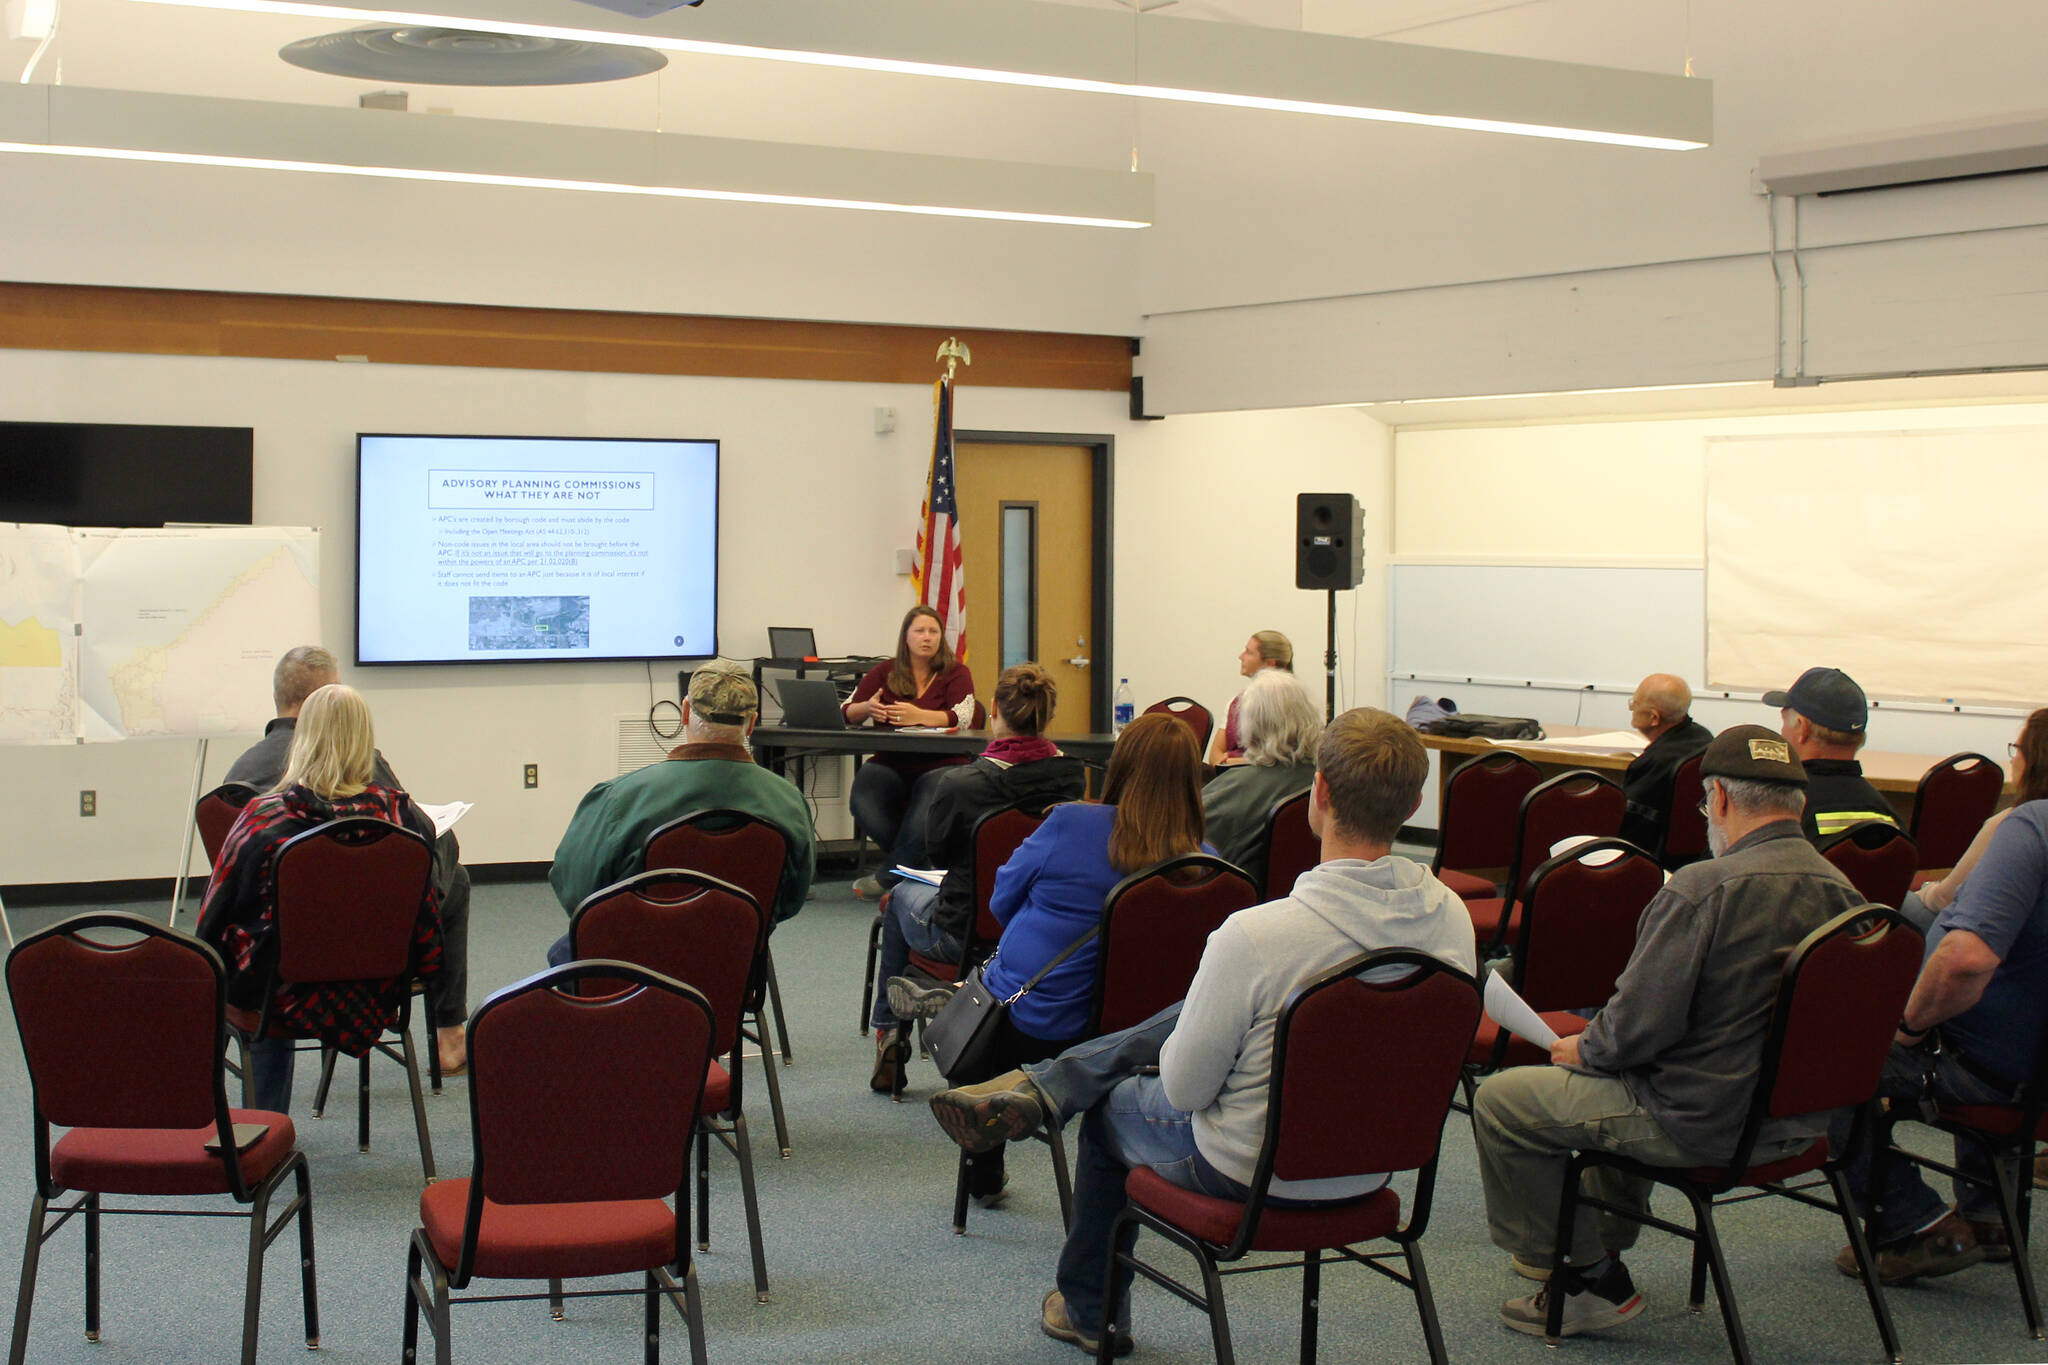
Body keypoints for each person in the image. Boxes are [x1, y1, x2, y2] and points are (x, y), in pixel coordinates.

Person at [927, 708, 1475, 1356]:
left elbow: (1185, 1091)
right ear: (1415, 802)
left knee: (1111, 1107)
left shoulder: (1259, 936)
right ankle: (1049, 1085)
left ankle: (1090, 1308)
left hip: (1252, 1171)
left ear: (1319, 793)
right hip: (1378, 1170)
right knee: (1202, 1016)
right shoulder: (1453, 921)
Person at [1472, 725, 1867, 1339]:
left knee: (1504, 1099)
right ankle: (1597, 1244)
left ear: (1723, 801)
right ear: (1799, 802)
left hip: (1703, 1123)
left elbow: (1634, 1031)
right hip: (1800, 1124)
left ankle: (1584, 1279)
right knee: (1616, 1077)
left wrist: (1586, 1045)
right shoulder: (1847, 894)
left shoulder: (1699, 891)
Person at [1829, 753, 2048, 1285]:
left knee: (1827, 1062)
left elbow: (1964, 963)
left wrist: (1908, 1027)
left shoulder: (2031, 826)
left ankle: (1915, 1227)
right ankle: (1989, 1217)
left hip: (1994, 1074)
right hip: (2029, 1075)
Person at [198, 684, 445, 1113]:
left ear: (303, 736)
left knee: (248, 960)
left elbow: (215, 912)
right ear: (366, 742)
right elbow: (430, 902)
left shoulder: (264, 818)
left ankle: (261, 1128)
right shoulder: (401, 816)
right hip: (374, 992)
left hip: (282, 996)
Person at [225, 645, 471, 1076]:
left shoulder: (241, 784)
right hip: (374, 973)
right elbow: (425, 869)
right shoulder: (387, 798)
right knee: (456, 879)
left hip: (273, 973)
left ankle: (264, 1115)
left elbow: (223, 904)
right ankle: (448, 1029)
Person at [868, 662, 1090, 1094]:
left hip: (961, 931)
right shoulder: (1070, 776)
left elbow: (940, 854)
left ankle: (890, 1034)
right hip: (1039, 933)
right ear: (1047, 717)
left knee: (898, 899)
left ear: (994, 713)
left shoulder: (962, 783)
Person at [546, 660, 815, 963]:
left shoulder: (621, 798)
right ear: (751, 723)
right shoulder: (788, 802)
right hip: (732, 962)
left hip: (634, 964)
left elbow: (576, 889)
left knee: (563, 952)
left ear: (685, 712)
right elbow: (792, 897)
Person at [843, 605, 981, 898]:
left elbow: (964, 716)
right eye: (919, 631)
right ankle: (923, 867)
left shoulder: (956, 672)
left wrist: (918, 715)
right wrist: (866, 708)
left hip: (943, 763)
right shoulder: (885, 672)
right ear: (906, 637)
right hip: (891, 762)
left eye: (933, 631)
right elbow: (845, 711)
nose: (927, 637)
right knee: (864, 796)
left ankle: (890, 875)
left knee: (930, 796)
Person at [1901, 707, 2047, 933]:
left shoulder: (2013, 825)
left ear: (2035, 761)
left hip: (1982, 933)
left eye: (2017, 749)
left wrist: (1926, 888)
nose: (2012, 760)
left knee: (1886, 901)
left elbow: (1944, 899)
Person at [1200, 667, 1321, 886]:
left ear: (1250, 725)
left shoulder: (1229, 791)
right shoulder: (1327, 783)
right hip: (1306, 896)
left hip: (1236, 905)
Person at [1766, 666, 1898, 842]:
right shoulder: (1887, 817)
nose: (1781, 732)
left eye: (1784, 723)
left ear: (1802, 728)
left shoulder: (1779, 809)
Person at [1616, 672, 1715, 865]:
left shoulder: (1654, 763)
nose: (1631, 708)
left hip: (1651, 862)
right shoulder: (1704, 738)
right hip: (1694, 858)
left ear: (1654, 717)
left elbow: (1629, 829)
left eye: (1634, 703)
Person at [1205, 629, 1293, 766]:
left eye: (1249, 652)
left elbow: (1278, 759)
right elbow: (1215, 757)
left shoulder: (1292, 706)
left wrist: (1230, 759)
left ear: (1270, 663)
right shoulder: (1236, 703)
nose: (1241, 656)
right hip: (1232, 776)